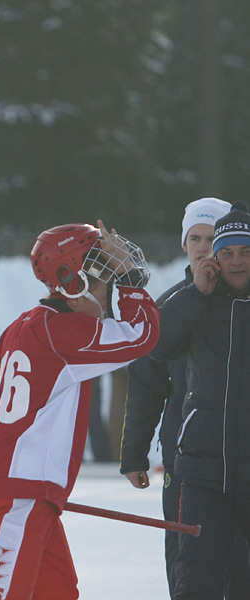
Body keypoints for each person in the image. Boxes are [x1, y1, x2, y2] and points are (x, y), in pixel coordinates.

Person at [0, 222, 160, 600]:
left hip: (27, 492)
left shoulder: (23, 325)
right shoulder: (66, 333)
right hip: (21, 493)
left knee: (57, 593)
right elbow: (140, 334)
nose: (110, 297)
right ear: (73, 283)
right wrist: (132, 280)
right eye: (106, 282)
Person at [120, 197, 250, 598]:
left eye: (210, 238)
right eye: (199, 239)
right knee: (191, 576)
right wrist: (134, 453)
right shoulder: (184, 302)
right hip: (192, 466)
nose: (204, 247)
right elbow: (148, 371)